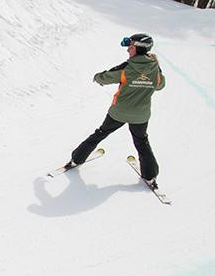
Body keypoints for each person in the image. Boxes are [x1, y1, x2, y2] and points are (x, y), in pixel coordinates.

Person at [68, 33, 166, 186]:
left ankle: (77, 159)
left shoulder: (127, 67)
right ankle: (150, 175)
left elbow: (104, 77)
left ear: (138, 49)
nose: (128, 50)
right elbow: (160, 85)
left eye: (131, 47)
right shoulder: (155, 68)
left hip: (118, 113)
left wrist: (97, 77)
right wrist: (155, 67)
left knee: (100, 133)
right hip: (141, 115)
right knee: (141, 142)